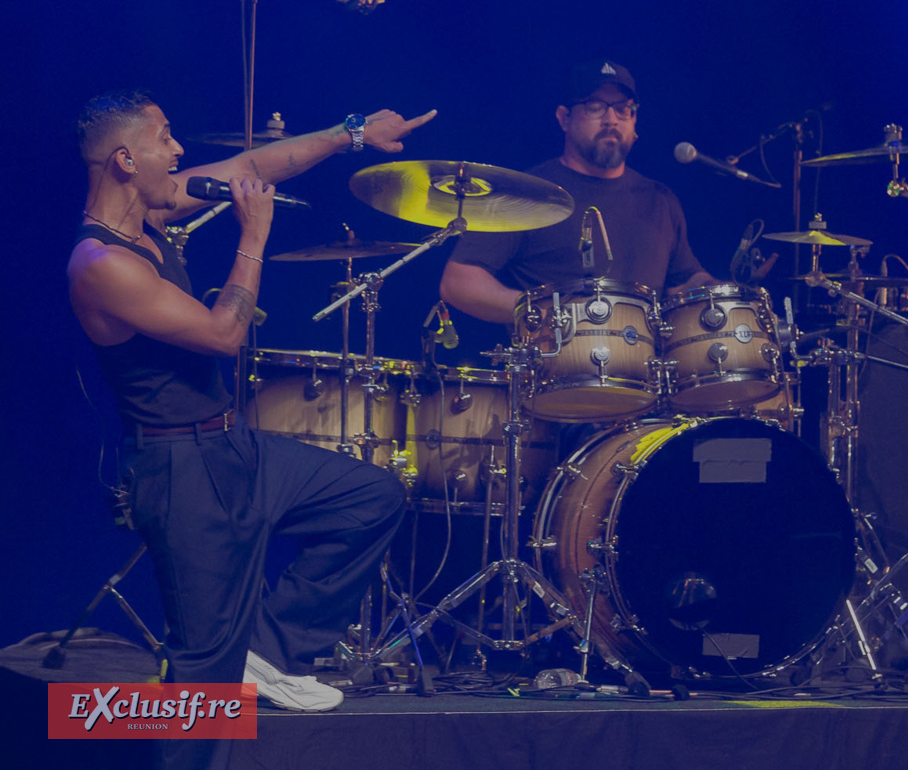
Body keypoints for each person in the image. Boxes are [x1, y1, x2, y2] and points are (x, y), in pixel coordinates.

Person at [67, 89, 435, 768]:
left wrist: (350, 132)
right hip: (179, 473)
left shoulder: (153, 208)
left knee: (372, 496)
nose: (178, 151)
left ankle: (266, 649)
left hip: (233, 446)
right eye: (164, 137)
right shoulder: (100, 262)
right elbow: (223, 333)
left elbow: (252, 161)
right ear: (125, 158)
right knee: (204, 695)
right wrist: (254, 234)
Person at [439, 59, 720, 325]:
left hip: (647, 372)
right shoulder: (527, 193)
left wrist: (724, 291)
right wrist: (546, 315)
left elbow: (682, 282)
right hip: (555, 365)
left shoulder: (659, 199)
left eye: (623, 108)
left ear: (635, 120)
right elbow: (460, 282)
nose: (612, 119)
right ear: (564, 118)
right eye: (595, 106)